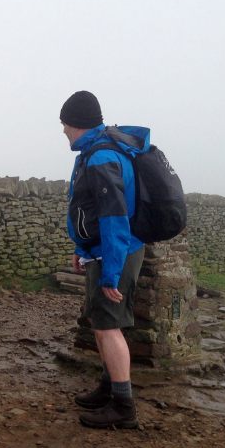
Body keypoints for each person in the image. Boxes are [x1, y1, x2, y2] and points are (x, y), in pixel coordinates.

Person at [61, 91, 147, 429]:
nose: (63, 130)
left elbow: (113, 216)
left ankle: (124, 407)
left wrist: (111, 273)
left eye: (65, 123)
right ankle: (108, 388)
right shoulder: (95, 152)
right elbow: (90, 214)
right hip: (100, 251)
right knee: (100, 323)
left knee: (110, 328)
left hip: (116, 253)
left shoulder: (100, 158)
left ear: (77, 123)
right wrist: (83, 250)